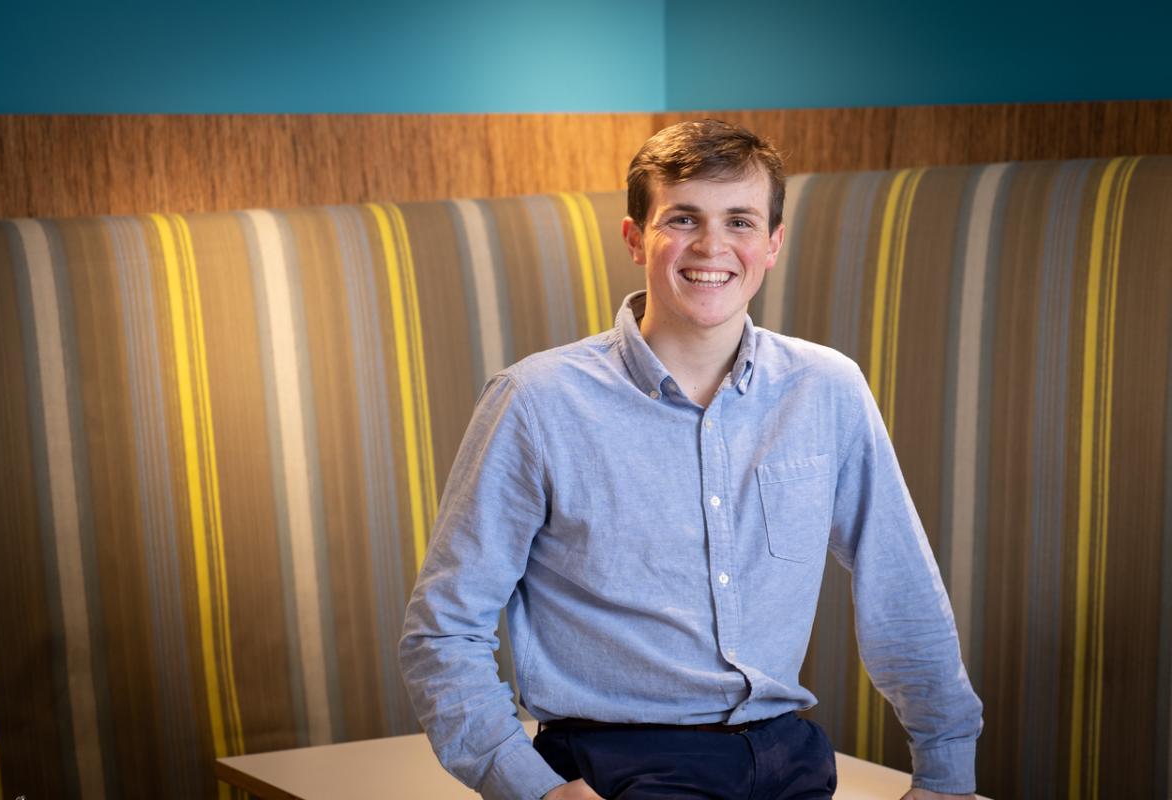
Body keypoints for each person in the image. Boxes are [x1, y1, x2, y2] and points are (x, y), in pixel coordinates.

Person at [399, 120, 982, 800]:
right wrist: (528, 786)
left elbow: (900, 589)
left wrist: (946, 770)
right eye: (682, 218)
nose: (712, 246)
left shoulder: (827, 388)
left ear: (772, 245)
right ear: (633, 238)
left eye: (740, 221)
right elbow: (442, 631)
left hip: (790, 760)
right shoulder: (536, 402)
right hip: (613, 770)